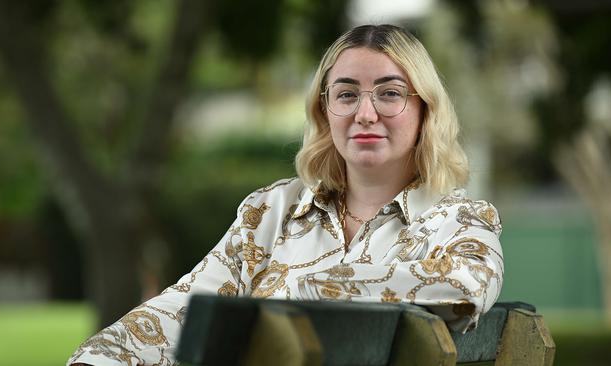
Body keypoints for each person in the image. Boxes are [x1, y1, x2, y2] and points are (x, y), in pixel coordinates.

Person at [68, 24, 503, 366]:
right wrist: (99, 358)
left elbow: (464, 288)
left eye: (390, 94)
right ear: (324, 109)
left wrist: (308, 292)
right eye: (347, 94)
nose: (365, 114)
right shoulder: (270, 211)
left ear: (424, 108)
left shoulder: (460, 220)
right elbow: (188, 306)